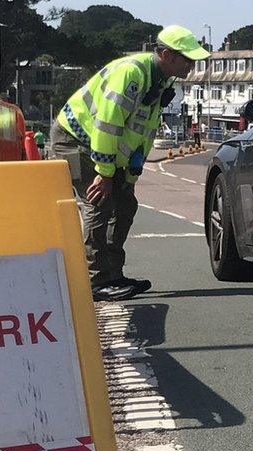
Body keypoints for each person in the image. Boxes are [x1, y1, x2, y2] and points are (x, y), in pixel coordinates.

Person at [50, 25, 208, 302]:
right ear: (168, 55)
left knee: (126, 205)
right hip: (76, 139)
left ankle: (113, 275)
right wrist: (106, 174)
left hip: (102, 147)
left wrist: (131, 176)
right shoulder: (131, 74)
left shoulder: (161, 81)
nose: (192, 65)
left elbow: (145, 131)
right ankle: (96, 282)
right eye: (187, 58)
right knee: (99, 203)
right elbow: (106, 125)